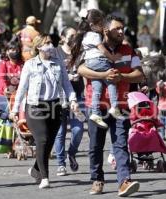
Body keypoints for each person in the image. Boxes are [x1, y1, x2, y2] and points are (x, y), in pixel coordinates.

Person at [78, 15, 143, 196]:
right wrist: (103, 75)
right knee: (95, 145)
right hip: (96, 105)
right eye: (117, 28)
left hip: (120, 104)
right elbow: (80, 69)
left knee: (121, 144)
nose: (121, 32)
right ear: (107, 30)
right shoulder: (93, 45)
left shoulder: (129, 51)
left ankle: (124, 181)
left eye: (123, 28)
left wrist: (121, 77)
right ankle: (97, 179)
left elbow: (139, 75)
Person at [11, 34, 79, 189]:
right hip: (35, 107)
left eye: (51, 42)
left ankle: (35, 170)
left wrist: (73, 100)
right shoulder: (30, 64)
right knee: (42, 140)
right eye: (47, 43)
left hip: (55, 105)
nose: (50, 45)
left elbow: (66, 84)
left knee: (48, 143)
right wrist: (15, 109)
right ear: (39, 46)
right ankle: (45, 177)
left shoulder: (58, 63)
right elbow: (22, 89)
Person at [70, 9, 122, 129]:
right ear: (92, 25)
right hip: (100, 61)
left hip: (90, 63)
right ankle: (114, 107)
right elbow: (102, 50)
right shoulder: (94, 35)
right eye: (101, 24)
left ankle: (95, 113)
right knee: (111, 80)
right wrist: (112, 57)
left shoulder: (85, 36)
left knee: (97, 88)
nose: (103, 26)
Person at [53, 27, 85, 176]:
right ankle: (61, 163)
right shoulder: (55, 52)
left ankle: (71, 153)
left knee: (78, 131)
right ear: (63, 37)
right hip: (59, 98)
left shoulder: (80, 52)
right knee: (59, 132)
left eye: (76, 35)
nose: (74, 38)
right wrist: (66, 77)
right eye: (71, 35)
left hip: (77, 97)